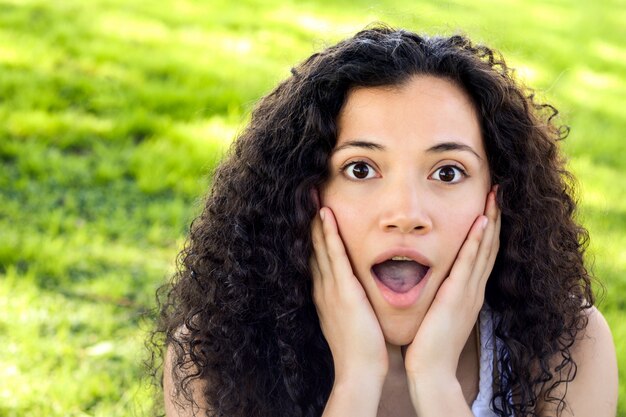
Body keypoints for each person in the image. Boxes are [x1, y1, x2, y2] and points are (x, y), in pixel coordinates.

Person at [152, 26, 618, 417]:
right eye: (360, 169)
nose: (406, 215)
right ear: (305, 192)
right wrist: (355, 382)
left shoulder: (569, 346)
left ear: (498, 199)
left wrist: (435, 382)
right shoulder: (216, 353)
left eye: (448, 172)